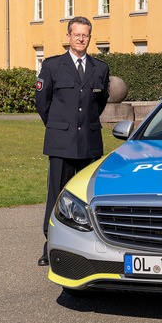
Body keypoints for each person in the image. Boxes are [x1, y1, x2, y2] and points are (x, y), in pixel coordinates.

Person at [35, 16, 110, 266]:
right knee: (57, 194)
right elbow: (42, 103)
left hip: (89, 141)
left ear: (90, 38)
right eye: (76, 34)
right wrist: (59, 127)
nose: (81, 39)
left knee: (89, 196)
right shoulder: (53, 66)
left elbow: (98, 104)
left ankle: (90, 246)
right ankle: (51, 245)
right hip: (61, 142)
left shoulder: (100, 68)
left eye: (85, 35)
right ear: (68, 36)